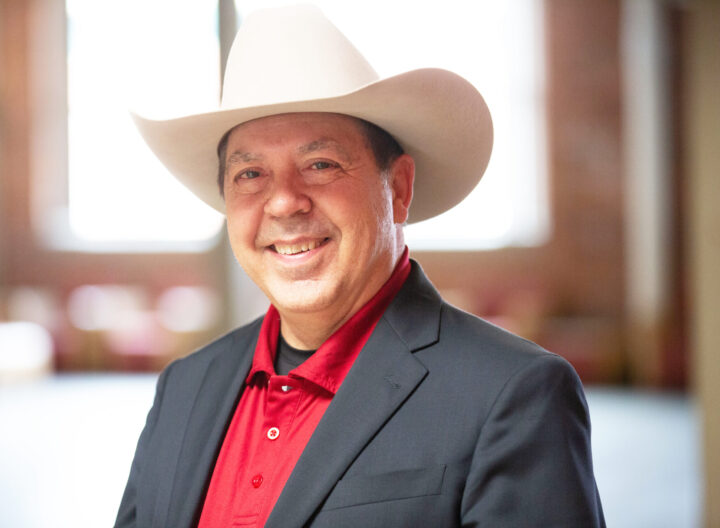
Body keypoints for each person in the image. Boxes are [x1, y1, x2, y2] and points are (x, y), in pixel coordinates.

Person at [115, 5, 605, 527]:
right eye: (251, 174)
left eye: (320, 164)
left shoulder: (513, 395)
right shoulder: (184, 387)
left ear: (398, 188)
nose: (284, 203)